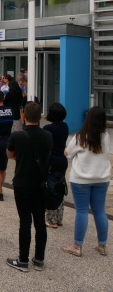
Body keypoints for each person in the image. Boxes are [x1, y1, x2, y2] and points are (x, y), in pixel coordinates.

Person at [5, 102, 53, 272]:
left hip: (22, 181)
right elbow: (47, 154)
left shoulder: (17, 136)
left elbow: (10, 154)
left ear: (23, 116)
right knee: (40, 221)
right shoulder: (48, 135)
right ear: (40, 117)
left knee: (25, 220)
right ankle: (39, 259)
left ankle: (23, 260)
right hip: (40, 182)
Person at [61, 106, 111, 258]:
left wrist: (66, 151)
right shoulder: (106, 136)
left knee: (82, 211)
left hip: (81, 179)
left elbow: (68, 154)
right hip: (102, 178)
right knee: (100, 211)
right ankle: (102, 245)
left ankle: (77, 246)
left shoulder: (80, 137)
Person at [41, 103, 69, 229]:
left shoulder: (48, 128)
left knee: (51, 188)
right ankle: (58, 217)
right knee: (59, 188)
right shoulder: (65, 126)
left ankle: (51, 219)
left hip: (51, 160)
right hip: (62, 160)